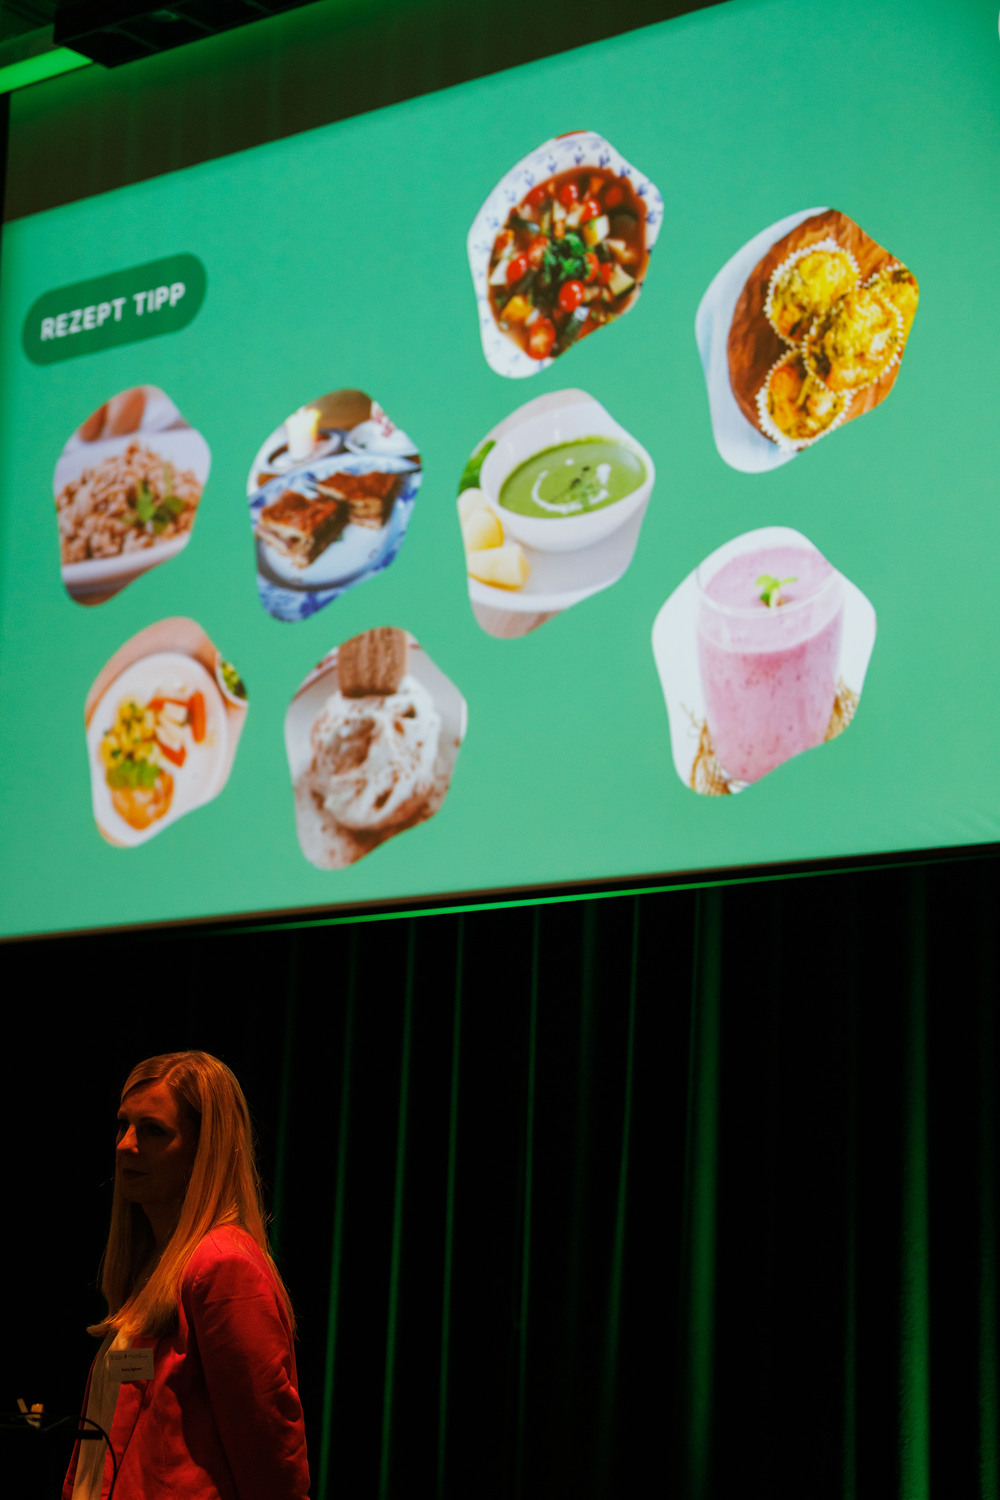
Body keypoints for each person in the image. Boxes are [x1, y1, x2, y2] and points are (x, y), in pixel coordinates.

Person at [63, 1050, 310, 1500]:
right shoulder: (156, 1268)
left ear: (204, 1150)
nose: (125, 1145)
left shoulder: (223, 1267)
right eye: (123, 1125)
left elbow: (269, 1458)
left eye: (153, 1130)